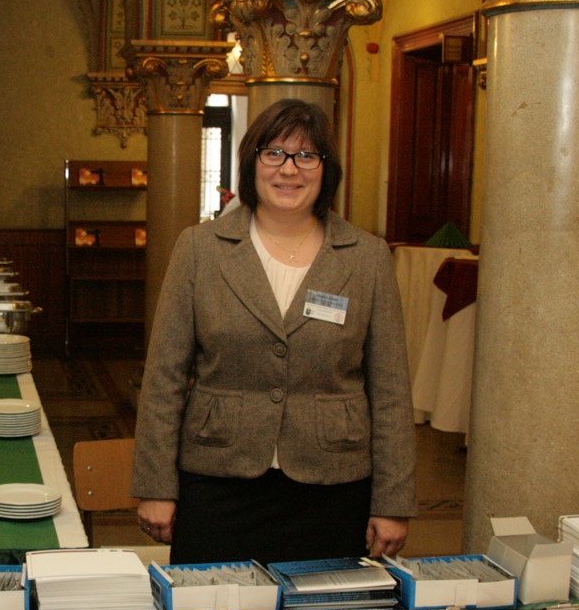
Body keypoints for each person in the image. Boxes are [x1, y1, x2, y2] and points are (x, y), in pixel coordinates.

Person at [130, 99, 415, 564]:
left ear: (326, 168)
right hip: (218, 482)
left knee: (324, 609)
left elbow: (390, 390)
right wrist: (156, 486)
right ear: (252, 162)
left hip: (333, 487)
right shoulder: (200, 249)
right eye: (274, 153)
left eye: (306, 156)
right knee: (213, 606)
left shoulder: (367, 257)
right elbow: (164, 377)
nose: (289, 169)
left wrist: (393, 501)